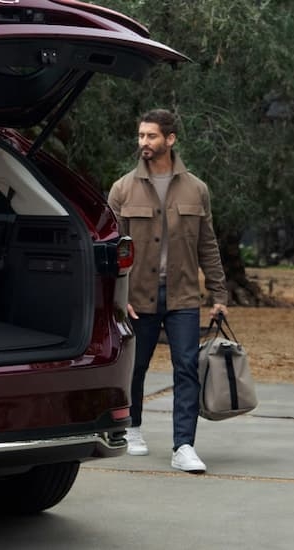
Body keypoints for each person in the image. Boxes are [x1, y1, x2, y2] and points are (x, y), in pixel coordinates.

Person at [108, 109, 229, 474]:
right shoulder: (122, 189)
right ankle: (134, 428)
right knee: (136, 366)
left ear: (170, 139)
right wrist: (118, 297)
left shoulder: (197, 189)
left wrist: (219, 294)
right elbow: (112, 250)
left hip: (183, 296)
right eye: (141, 136)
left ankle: (184, 445)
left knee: (187, 368)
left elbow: (208, 245)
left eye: (151, 136)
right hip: (137, 297)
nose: (143, 142)